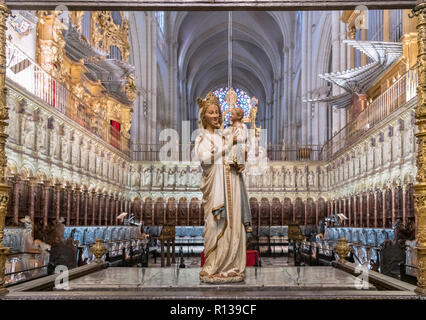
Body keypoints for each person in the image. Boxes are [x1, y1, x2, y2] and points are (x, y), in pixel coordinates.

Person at [194, 92, 251, 284]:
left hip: (233, 184)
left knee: (234, 225)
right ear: (204, 116)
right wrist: (227, 147)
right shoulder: (202, 137)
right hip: (216, 190)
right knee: (214, 225)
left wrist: (240, 160)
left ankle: (231, 267)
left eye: (217, 112)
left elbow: (235, 152)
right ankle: (213, 267)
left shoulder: (223, 135)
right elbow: (205, 158)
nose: (216, 115)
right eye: (211, 112)